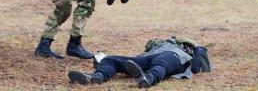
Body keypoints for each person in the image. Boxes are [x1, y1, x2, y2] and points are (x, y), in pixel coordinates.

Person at [68, 37, 211, 88]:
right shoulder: (156, 45)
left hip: (173, 56)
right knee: (111, 59)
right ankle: (97, 77)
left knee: (161, 63)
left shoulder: (184, 51)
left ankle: (148, 79)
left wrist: (199, 49)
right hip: (147, 57)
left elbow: (200, 65)